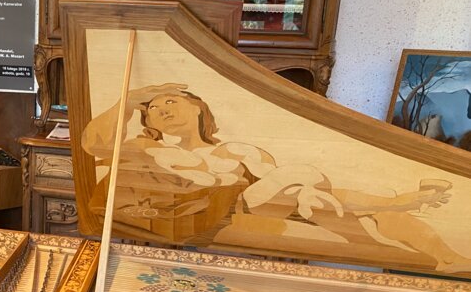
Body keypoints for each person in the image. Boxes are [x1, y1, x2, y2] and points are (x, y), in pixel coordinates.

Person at [82, 82, 471, 272]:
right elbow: (94, 145)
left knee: (315, 193)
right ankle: (397, 202)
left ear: (198, 108)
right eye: (152, 108)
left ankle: (444, 255)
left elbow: (271, 179)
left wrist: (304, 193)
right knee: (304, 180)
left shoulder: (236, 151)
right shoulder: (145, 147)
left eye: (172, 100)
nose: (162, 109)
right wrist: (129, 100)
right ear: (147, 120)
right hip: (191, 212)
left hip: (247, 202)